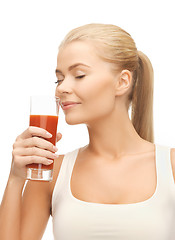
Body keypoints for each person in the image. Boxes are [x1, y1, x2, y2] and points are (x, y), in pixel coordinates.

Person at [0, 23, 175, 240]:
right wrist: (16, 177)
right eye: (59, 78)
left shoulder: (171, 167)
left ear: (122, 82)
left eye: (79, 75)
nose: (61, 88)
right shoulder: (50, 172)